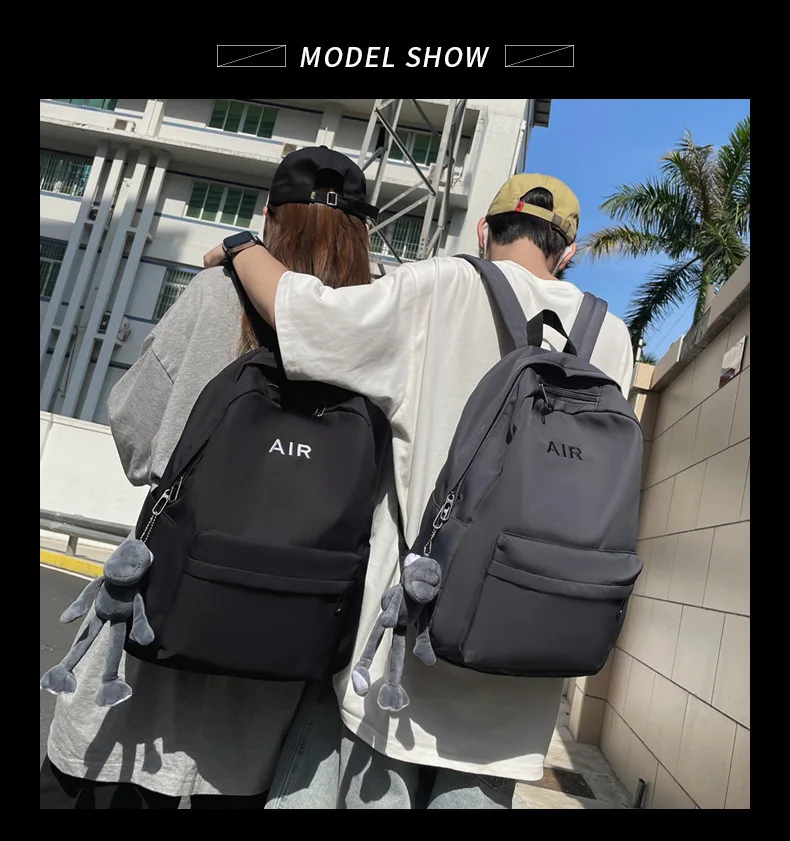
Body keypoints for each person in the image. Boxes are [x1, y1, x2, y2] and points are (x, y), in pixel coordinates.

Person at [204, 172, 635, 809]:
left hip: (402, 657)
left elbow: (304, 317)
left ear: (484, 230)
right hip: (522, 671)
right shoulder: (613, 338)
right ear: (568, 252)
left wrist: (243, 247)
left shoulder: (442, 286)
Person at [39, 146, 379, 809]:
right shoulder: (373, 330)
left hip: (147, 663)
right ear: (362, 234)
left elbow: (136, 439)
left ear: (269, 215)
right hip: (272, 681)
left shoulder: (215, 294)